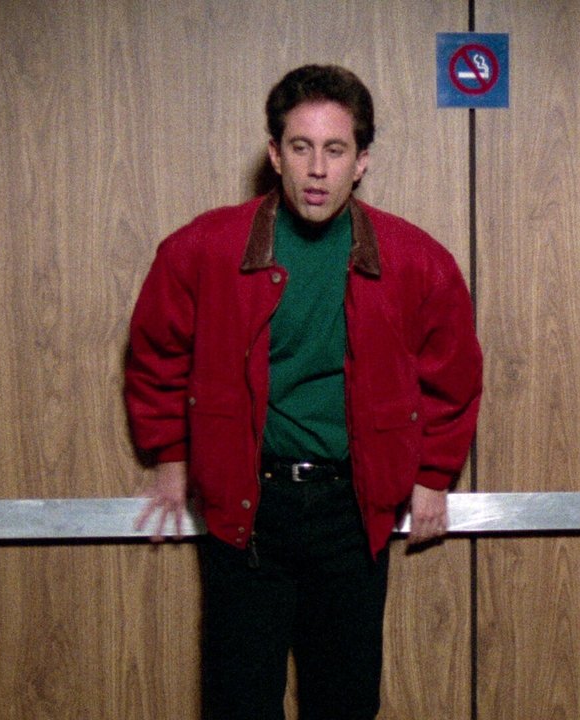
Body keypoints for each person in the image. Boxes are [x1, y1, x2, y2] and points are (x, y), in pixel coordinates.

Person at [124, 64, 482, 720]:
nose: (317, 169)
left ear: (361, 161)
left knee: (344, 702)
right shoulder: (201, 249)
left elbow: (453, 376)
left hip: (353, 510)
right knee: (238, 702)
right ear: (274, 154)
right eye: (301, 147)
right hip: (246, 509)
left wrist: (433, 476)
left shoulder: (416, 260)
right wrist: (171, 458)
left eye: (335, 149)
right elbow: (156, 356)